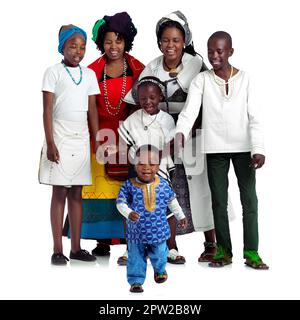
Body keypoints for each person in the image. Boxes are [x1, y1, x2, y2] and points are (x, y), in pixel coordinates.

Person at [124, 11, 216, 264]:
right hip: (161, 141)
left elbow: (209, 98)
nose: (170, 45)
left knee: (200, 188)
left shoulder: (196, 64)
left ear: (184, 40)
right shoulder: (151, 67)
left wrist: (190, 129)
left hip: (193, 135)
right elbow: (135, 103)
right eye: (165, 40)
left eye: (176, 40)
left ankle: (211, 242)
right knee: (164, 189)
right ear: (159, 42)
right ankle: (168, 245)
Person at [176, 31, 269, 269]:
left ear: (230, 51)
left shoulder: (246, 79)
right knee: (218, 201)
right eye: (210, 51)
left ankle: (251, 252)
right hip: (214, 149)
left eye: (219, 51)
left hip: (244, 149)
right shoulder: (202, 80)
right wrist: (180, 134)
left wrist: (258, 148)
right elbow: (189, 112)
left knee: (250, 200)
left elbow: (255, 116)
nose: (214, 56)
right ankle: (223, 252)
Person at [69, 12, 144, 260]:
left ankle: (128, 240)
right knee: (99, 190)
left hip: (129, 139)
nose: (114, 47)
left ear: (127, 42)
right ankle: (102, 241)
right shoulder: (91, 71)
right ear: (101, 43)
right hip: (98, 137)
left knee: (127, 190)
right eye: (109, 41)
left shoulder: (138, 69)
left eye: (119, 41)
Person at [39, 24, 99, 265]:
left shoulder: (90, 75)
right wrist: (51, 143)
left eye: (82, 47)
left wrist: (97, 140)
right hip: (60, 137)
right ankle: (57, 249)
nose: (78, 51)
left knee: (77, 193)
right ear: (62, 47)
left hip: (81, 138)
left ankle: (76, 247)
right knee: (60, 191)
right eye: (72, 46)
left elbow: (92, 110)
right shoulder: (53, 72)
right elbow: (46, 110)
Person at [116, 145, 187, 293]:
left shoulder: (163, 185)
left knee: (161, 254)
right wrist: (128, 213)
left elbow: (173, 202)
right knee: (135, 259)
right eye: (141, 163)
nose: (146, 167)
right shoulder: (129, 186)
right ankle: (136, 281)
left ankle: (160, 270)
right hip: (136, 234)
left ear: (158, 166)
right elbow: (120, 203)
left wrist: (181, 216)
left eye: (152, 164)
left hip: (159, 232)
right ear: (135, 165)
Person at [118, 76, 175, 182]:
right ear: (138, 99)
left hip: (159, 165)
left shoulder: (167, 119)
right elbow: (124, 144)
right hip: (137, 167)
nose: (147, 102)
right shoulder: (133, 118)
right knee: (137, 195)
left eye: (152, 97)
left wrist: (153, 159)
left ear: (160, 97)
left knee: (159, 195)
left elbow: (171, 147)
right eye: (143, 98)